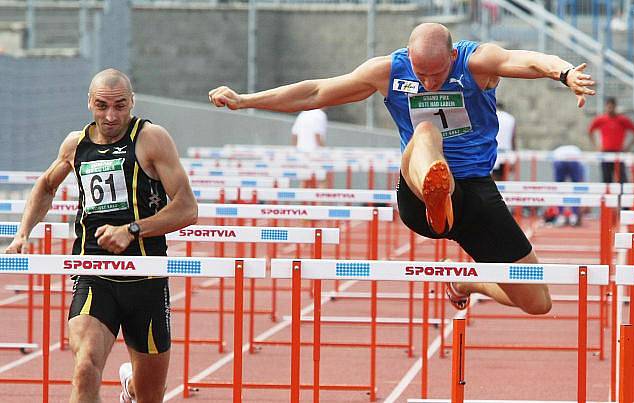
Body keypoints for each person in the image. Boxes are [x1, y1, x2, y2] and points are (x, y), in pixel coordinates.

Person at [208, 23, 595, 314]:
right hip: (417, 193)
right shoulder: (388, 72)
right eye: (420, 73)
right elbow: (315, 92)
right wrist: (246, 100)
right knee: (425, 131)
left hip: (474, 194)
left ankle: (470, 281)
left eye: (437, 74)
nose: (428, 82)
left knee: (537, 300)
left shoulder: (476, 62)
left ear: (452, 57)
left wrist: (564, 74)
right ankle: (434, 190)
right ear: (408, 59)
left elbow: (524, 59)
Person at [4, 69, 198, 403]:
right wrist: (23, 233)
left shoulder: (151, 139)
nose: (111, 116)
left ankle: (131, 387)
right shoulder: (76, 144)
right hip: (94, 271)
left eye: (120, 106)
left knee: (149, 395)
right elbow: (46, 185)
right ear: (89, 104)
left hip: (145, 275)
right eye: (102, 106)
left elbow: (187, 209)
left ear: (132, 102)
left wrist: (131, 230)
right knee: (85, 368)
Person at [588, 97, 634, 183]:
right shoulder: (601, 119)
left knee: (621, 179)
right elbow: (590, 131)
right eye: (608, 107)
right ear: (606, 107)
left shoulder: (623, 120)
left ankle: (623, 196)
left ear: (615, 107)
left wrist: (628, 147)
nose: (610, 109)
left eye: (612, 107)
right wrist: (596, 146)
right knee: (606, 179)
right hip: (605, 152)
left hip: (618, 152)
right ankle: (607, 196)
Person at [551, 145, 585, 226]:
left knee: (559, 188)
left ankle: (561, 216)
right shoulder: (580, 157)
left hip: (559, 157)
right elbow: (582, 179)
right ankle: (574, 216)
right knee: (576, 188)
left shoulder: (557, 153)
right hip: (573, 158)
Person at [491, 101, 516, 181]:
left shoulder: (492, 116)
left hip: (493, 151)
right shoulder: (511, 118)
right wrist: (514, 153)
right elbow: (513, 137)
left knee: (493, 178)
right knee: (504, 177)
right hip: (507, 152)